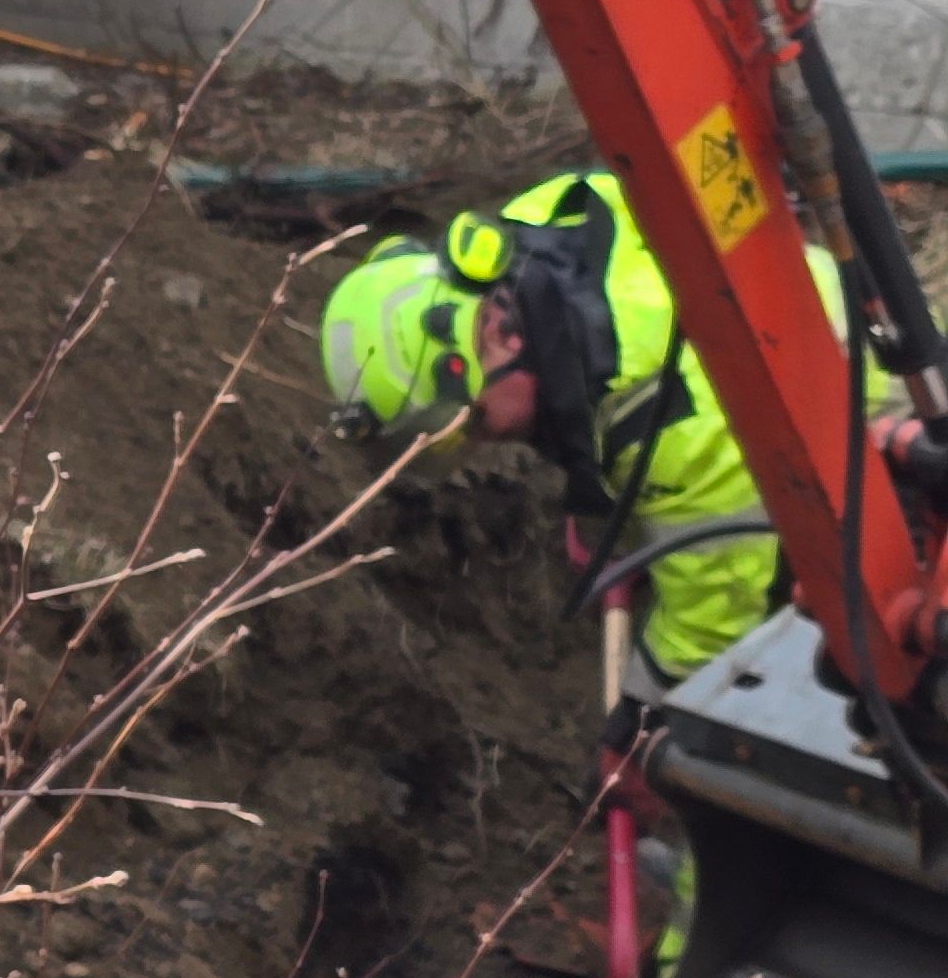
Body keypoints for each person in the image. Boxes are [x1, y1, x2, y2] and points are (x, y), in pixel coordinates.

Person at [319, 165, 854, 688]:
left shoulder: (661, 424)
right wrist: (609, 507)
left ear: (502, 335)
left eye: (475, 421)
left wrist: (642, 722)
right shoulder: (540, 219)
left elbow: (716, 626)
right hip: (812, 306)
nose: (482, 440)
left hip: (867, 435)